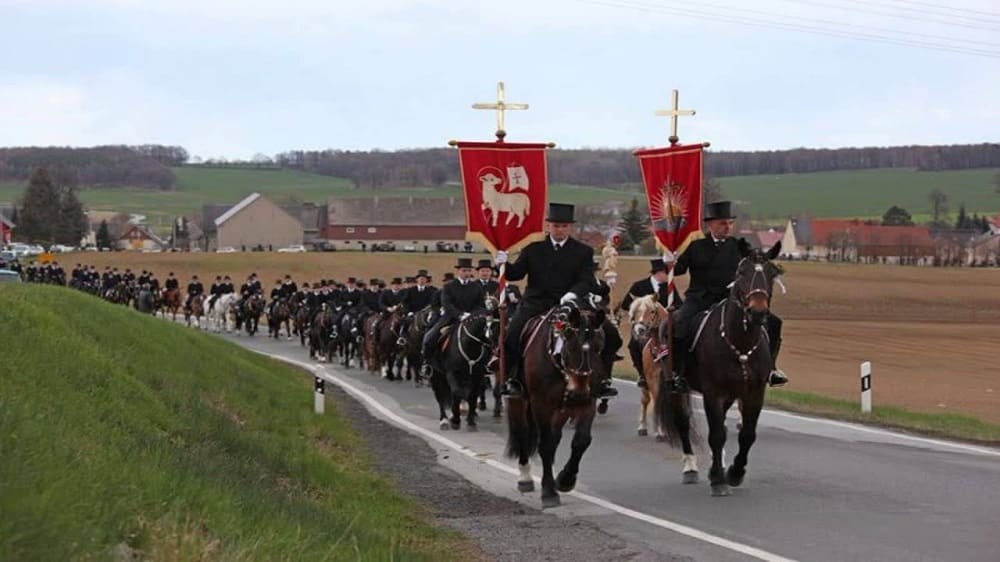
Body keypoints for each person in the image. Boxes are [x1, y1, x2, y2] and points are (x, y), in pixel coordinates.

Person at [494, 203, 616, 398]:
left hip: (572, 303)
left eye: (564, 226)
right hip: (536, 302)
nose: (560, 229)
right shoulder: (533, 249)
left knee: (610, 334)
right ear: (548, 226)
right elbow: (516, 273)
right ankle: (514, 379)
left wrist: (573, 294)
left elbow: (586, 279)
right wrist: (501, 263)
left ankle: (603, 380)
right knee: (512, 335)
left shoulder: (583, 251)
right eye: (556, 225)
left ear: (571, 228)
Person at [667, 201, 788, 390]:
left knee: (774, 322)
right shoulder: (696, 246)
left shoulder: (739, 247)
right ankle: (678, 372)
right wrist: (670, 259)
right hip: (700, 298)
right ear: (710, 224)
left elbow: (753, 265)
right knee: (680, 322)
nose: (727, 227)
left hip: (730, 299)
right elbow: (679, 270)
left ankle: (770, 369)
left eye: (730, 223)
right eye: (723, 223)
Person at [617, 258, 680, 387]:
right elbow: (625, 304)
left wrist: (672, 308)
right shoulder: (639, 286)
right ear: (657, 273)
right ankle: (642, 374)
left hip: (663, 324)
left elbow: (679, 303)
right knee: (633, 345)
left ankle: (676, 372)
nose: (667, 276)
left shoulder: (669, 287)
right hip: (643, 324)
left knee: (677, 341)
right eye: (665, 273)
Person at [420, 258, 487, 376]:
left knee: (488, 339)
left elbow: (481, 305)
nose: (466, 273)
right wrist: (460, 315)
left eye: (468, 271)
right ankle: (427, 364)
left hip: (472, 320)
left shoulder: (476, 287)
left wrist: (472, 315)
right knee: (428, 338)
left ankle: (487, 364)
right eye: (464, 270)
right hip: (451, 318)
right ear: (458, 272)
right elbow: (447, 304)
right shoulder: (449, 286)